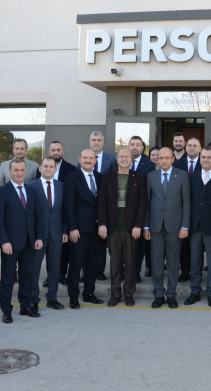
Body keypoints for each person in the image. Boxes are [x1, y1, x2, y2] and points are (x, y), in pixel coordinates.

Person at [98, 148, 148, 306]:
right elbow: (101, 202)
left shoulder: (139, 177)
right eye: (121, 156)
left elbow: (143, 204)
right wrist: (102, 224)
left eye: (127, 156)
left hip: (131, 228)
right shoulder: (107, 177)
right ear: (117, 159)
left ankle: (129, 294)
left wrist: (138, 225)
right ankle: (115, 294)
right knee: (115, 263)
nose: (124, 159)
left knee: (131, 262)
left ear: (132, 160)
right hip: (112, 227)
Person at [0, 159, 41, 323]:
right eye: (16, 170)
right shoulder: (2, 192)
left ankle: (25, 306)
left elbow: (37, 217)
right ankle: (6, 310)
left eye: (22, 170)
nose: (19, 173)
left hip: (29, 242)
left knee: (27, 277)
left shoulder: (31, 191)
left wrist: (38, 237)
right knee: (8, 279)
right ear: (9, 171)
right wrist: (4, 241)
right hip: (10, 244)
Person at [144, 147, 190, 309]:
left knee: (172, 262)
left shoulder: (182, 175)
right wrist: (146, 226)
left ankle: (171, 295)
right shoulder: (151, 176)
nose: (163, 160)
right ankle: (158, 294)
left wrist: (184, 226)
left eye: (167, 157)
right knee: (156, 263)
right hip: (155, 226)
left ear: (172, 159)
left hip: (175, 227)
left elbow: (186, 203)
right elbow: (147, 203)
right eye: (161, 157)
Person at [63, 150, 104, 308]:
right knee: (76, 263)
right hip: (79, 230)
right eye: (85, 158)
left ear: (95, 161)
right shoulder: (72, 177)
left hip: (96, 229)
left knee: (93, 264)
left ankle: (88, 293)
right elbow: (68, 205)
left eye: (90, 158)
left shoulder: (100, 177)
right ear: (79, 159)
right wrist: (72, 228)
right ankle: (73, 296)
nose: (87, 160)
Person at [185, 146, 211, 307]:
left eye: (209, 157)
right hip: (195, 226)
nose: (205, 160)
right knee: (195, 261)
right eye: (203, 157)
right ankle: (195, 292)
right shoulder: (191, 177)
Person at [29, 157, 68, 310]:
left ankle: (52, 298)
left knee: (55, 268)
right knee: (34, 269)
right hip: (38, 236)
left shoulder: (61, 186)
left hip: (56, 234)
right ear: (40, 168)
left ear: (55, 170)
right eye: (45, 166)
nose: (48, 169)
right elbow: (29, 214)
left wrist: (64, 231)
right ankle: (33, 299)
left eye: (51, 167)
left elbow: (64, 211)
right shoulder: (31, 186)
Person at [39, 141, 75, 288]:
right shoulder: (42, 170)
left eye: (58, 150)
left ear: (62, 152)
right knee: (49, 251)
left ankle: (62, 273)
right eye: (53, 150)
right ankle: (50, 275)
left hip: (62, 215)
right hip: (46, 217)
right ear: (49, 152)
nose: (56, 152)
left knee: (63, 249)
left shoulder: (71, 169)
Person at [85, 131, 116, 281]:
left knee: (103, 239)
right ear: (90, 142)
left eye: (98, 140)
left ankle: (99, 270)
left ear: (103, 142)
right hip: (88, 206)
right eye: (93, 140)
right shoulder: (84, 159)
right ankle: (86, 270)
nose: (96, 142)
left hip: (106, 204)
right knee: (88, 239)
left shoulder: (112, 160)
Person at [174, 137, 202, 282]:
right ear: (186, 147)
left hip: (199, 208)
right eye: (189, 145)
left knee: (197, 243)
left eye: (195, 145)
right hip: (181, 208)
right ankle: (185, 270)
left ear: (200, 148)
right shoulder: (177, 163)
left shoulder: (205, 162)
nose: (192, 148)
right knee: (183, 243)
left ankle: (197, 271)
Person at [129, 136, 155, 281]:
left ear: (143, 148)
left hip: (141, 208)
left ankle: (136, 272)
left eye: (138, 145)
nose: (135, 147)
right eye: (132, 144)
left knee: (139, 245)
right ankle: (125, 270)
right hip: (123, 210)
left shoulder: (149, 165)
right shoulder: (121, 161)